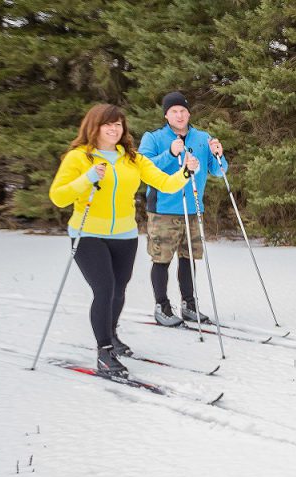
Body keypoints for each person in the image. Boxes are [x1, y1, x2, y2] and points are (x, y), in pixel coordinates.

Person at [50, 103, 198, 375]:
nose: (114, 129)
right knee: (104, 289)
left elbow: (164, 183)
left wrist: (186, 172)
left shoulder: (132, 158)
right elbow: (58, 197)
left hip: (125, 234)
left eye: (118, 124)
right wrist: (87, 178)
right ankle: (104, 352)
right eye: (108, 124)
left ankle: (112, 335)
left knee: (118, 290)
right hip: (88, 233)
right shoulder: (79, 157)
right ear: (94, 127)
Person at [138, 91, 228, 326]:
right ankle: (163, 306)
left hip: (193, 208)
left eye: (183, 111)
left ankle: (189, 304)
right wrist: (171, 153)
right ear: (166, 115)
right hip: (163, 210)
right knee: (162, 259)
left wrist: (219, 154)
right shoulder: (154, 138)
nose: (179, 115)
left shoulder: (202, 137)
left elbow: (218, 170)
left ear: (189, 113)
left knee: (189, 259)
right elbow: (143, 168)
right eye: (174, 111)